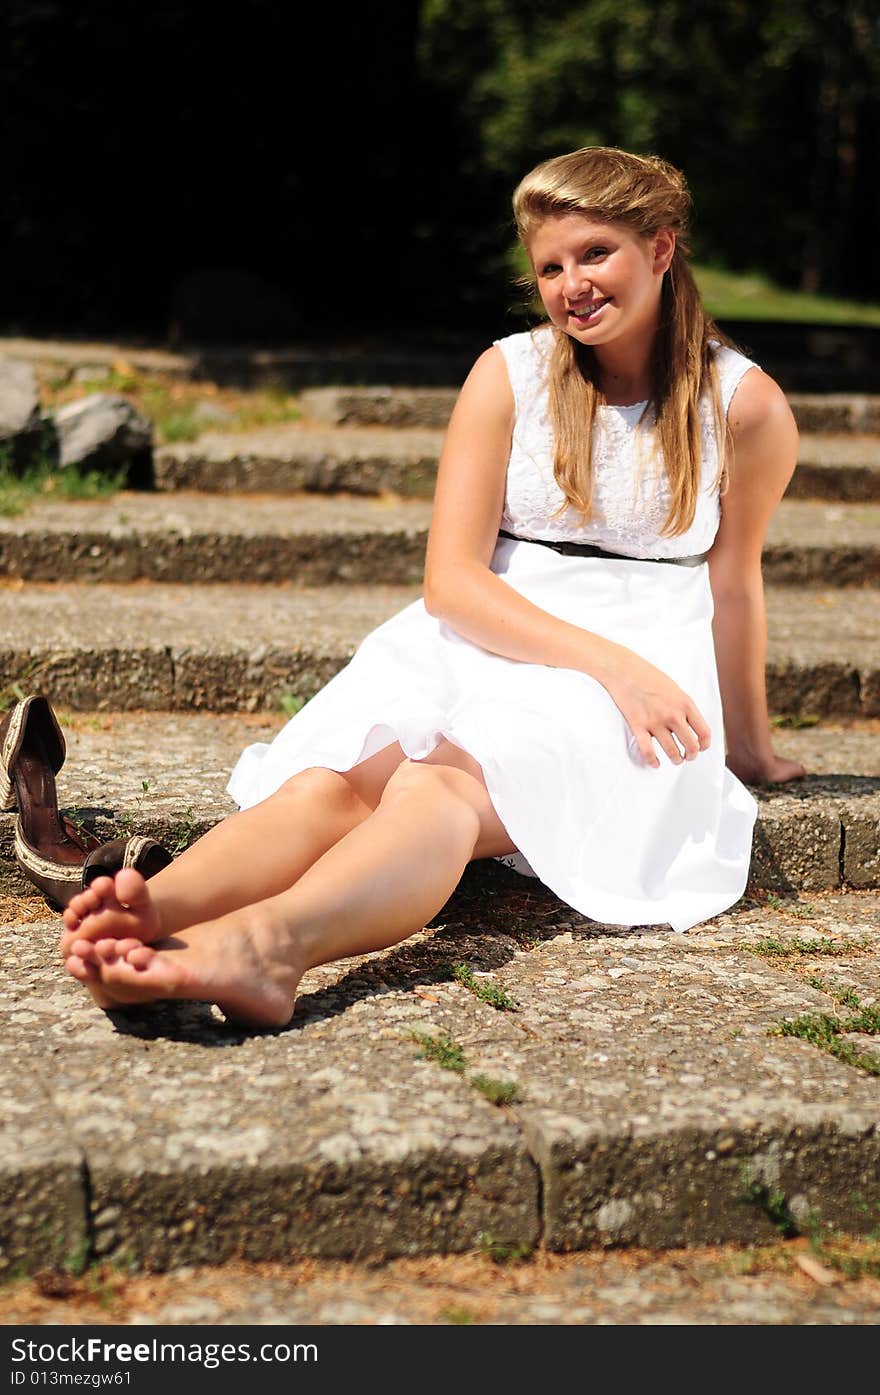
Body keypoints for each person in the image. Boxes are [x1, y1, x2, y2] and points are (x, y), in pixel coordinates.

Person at [60, 145, 805, 1027]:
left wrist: (746, 747)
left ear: (662, 248)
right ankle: (159, 914)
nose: (573, 284)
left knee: (438, 784)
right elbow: (452, 580)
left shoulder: (743, 407)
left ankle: (270, 947)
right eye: (551, 267)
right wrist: (604, 661)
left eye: (595, 253)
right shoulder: (511, 373)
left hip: (641, 670)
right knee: (335, 781)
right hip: (489, 629)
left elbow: (735, 583)